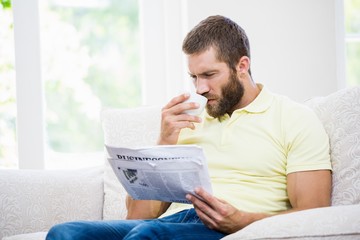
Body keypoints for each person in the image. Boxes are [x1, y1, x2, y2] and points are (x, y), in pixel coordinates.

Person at [46, 15, 332, 240]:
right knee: (66, 234)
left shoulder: (294, 118)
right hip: (174, 223)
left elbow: (314, 215)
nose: (200, 88)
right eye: (193, 77)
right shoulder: (188, 122)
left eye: (209, 75)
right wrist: (163, 145)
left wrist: (241, 219)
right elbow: (136, 216)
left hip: (236, 227)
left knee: (148, 235)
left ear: (242, 65)